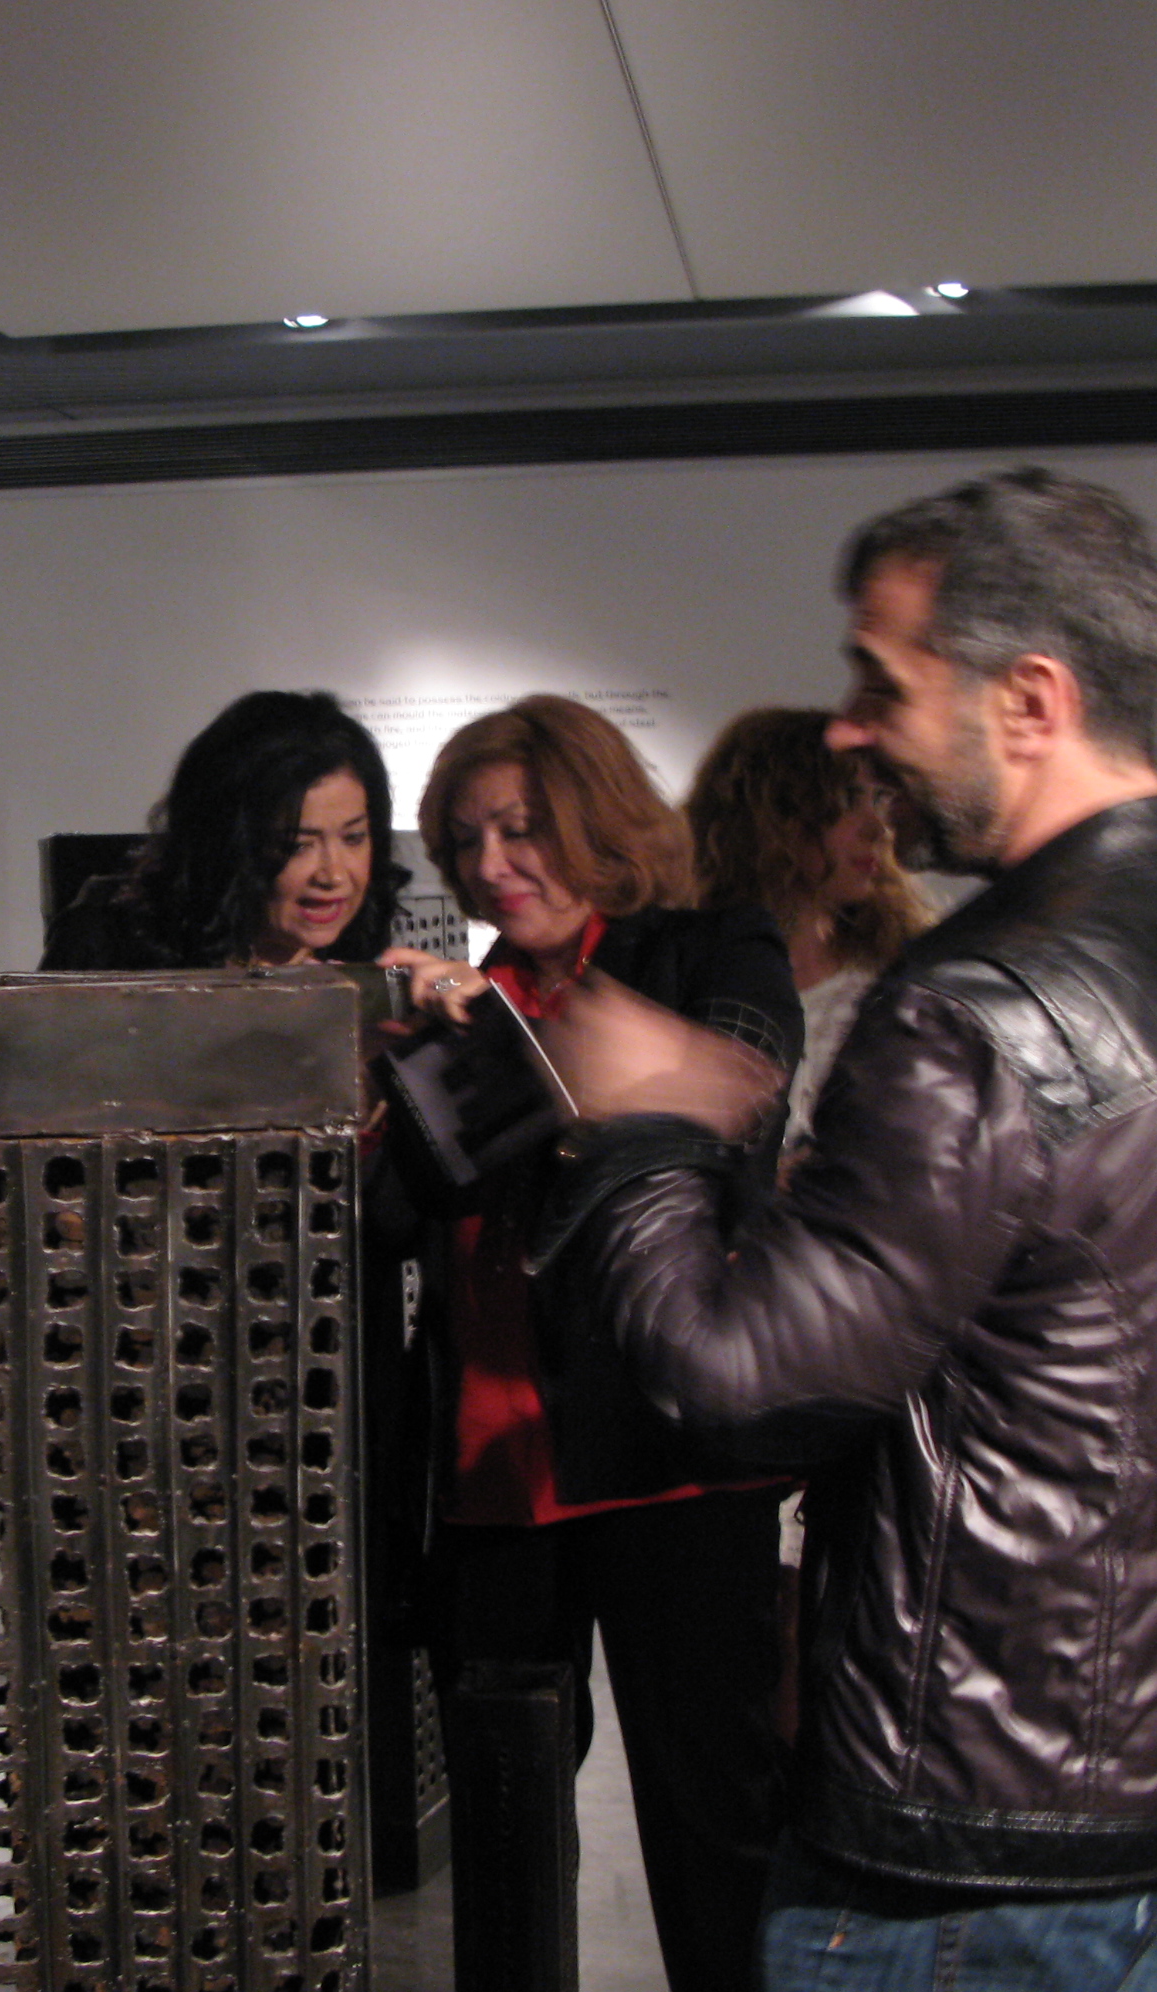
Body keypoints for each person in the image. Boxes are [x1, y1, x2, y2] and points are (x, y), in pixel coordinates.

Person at [538, 469, 1157, 1991]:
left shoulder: (982, 1005)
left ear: (1029, 701)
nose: (848, 731)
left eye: (881, 684)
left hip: (980, 1830)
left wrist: (647, 1127)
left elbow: (736, 1387)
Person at [379, 694, 801, 1992]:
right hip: (496, 1476)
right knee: (504, 1841)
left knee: (713, 1825)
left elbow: (729, 1100)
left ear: (596, 817)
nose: (493, 864)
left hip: (674, 1463)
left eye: (521, 828)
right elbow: (404, 1212)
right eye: (466, 841)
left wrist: (520, 1050)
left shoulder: (708, 945)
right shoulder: (463, 1006)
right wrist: (392, 1070)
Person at [682, 708, 931, 1160]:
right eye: (847, 799)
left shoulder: (896, 978)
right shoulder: (688, 968)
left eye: (879, 800)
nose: (876, 828)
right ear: (775, 815)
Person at [38, 687, 405, 970]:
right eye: (296, 845)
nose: (334, 876)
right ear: (229, 842)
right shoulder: (110, 940)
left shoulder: (367, 952)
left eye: (354, 838)